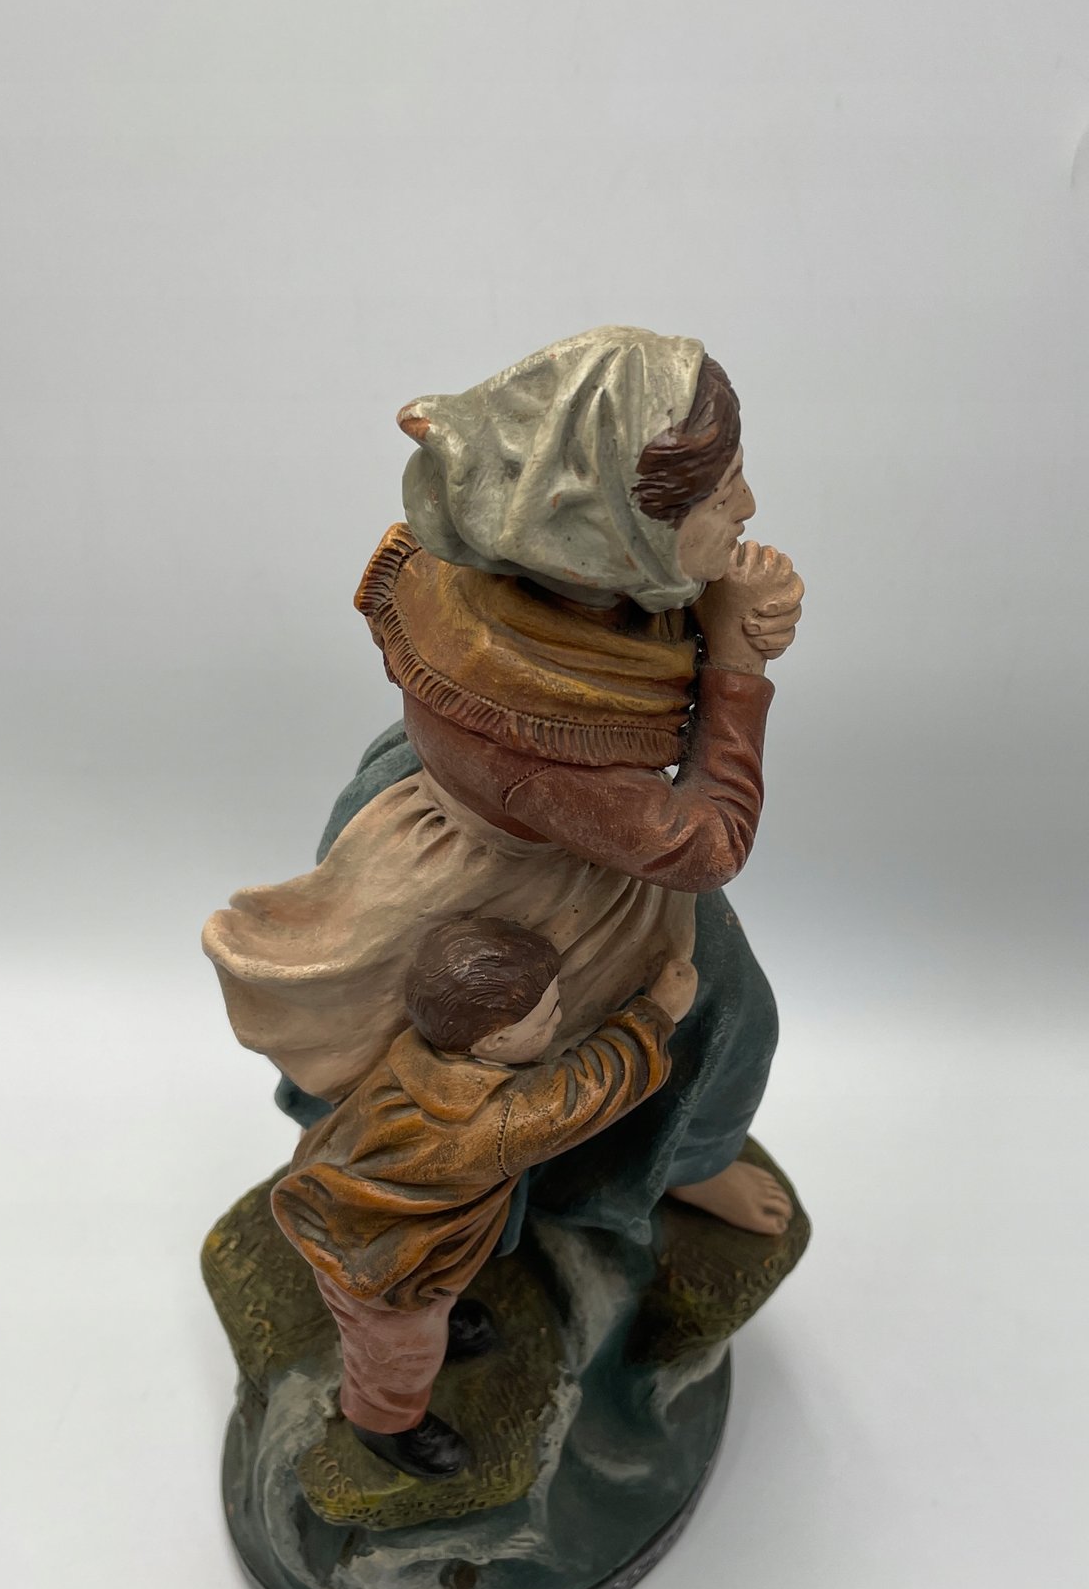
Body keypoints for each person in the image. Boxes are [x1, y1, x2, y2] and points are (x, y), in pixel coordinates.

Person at [206, 327, 802, 1246]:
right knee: (724, 1010)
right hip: (524, 872)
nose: (750, 505)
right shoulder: (535, 727)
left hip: (518, 816)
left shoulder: (544, 573)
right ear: (618, 534)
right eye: (723, 496)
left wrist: (722, 603)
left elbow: (636, 628)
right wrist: (736, 662)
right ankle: (658, 1169)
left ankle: (669, 1166)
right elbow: (705, 845)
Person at [271, 916, 700, 1481]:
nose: (560, 1017)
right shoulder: (495, 1123)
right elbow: (587, 1093)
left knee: (425, 1319)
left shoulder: (419, 1050)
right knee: (399, 1354)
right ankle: (382, 1423)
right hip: (380, 1268)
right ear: (494, 1041)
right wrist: (655, 1015)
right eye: (548, 1014)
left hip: (363, 1218)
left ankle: (436, 1321)